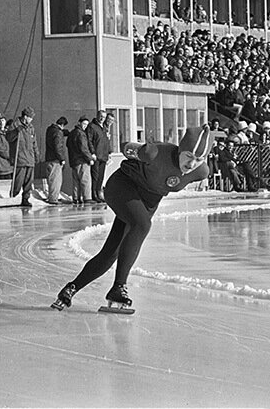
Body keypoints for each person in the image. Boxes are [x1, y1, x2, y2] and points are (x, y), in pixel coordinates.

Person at [51, 125, 214, 312]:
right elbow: (125, 147)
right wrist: (138, 150)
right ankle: (119, 286)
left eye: (198, 159)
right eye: (189, 156)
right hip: (123, 186)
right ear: (180, 149)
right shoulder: (155, 153)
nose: (192, 164)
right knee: (142, 225)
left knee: (111, 253)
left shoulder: (201, 172)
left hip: (146, 202)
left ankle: (70, 289)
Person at [6, 106, 40, 207]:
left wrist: (36, 155)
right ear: (25, 117)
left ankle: (25, 198)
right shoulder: (15, 125)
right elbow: (9, 138)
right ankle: (13, 196)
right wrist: (16, 131)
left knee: (28, 182)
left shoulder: (31, 128)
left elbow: (34, 143)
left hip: (29, 158)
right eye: (30, 117)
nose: (31, 120)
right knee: (18, 180)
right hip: (20, 158)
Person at [66, 116, 95, 205]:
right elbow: (84, 148)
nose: (85, 126)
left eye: (87, 124)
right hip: (82, 161)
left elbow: (68, 145)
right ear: (79, 123)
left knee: (76, 181)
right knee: (85, 180)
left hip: (74, 161)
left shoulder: (72, 133)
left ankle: (76, 198)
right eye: (84, 124)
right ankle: (87, 198)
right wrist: (89, 158)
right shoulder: (81, 134)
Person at [86, 110, 113, 203]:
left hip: (104, 156)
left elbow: (106, 141)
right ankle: (94, 195)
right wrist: (92, 153)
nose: (102, 119)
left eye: (104, 117)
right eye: (101, 116)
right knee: (95, 176)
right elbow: (89, 141)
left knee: (101, 176)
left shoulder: (104, 127)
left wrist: (109, 152)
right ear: (97, 116)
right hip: (96, 156)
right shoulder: (92, 126)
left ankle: (99, 193)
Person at [45, 116, 68, 205]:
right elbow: (58, 146)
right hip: (55, 159)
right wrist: (61, 158)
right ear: (62, 125)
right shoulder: (58, 132)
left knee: (51, 179)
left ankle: (52, 196)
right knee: (56, 180)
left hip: (49, 158)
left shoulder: (50, 130)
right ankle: (53, 198)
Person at [0, 113, 12, 180]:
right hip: (0, 164)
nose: (1, 123)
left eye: (3, 120)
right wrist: (9, 155)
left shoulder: (8, 133)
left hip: (9, 165)